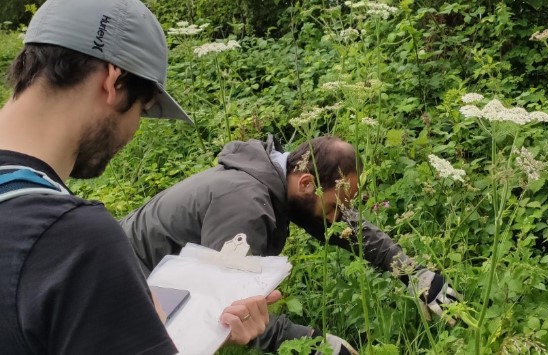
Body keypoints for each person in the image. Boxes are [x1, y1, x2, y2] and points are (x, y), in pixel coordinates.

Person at [0, 0, 280, 353]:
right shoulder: (74, 242)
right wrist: (170, 331)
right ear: (113, 82)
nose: (133, 130)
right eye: (142, 110)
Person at [120, 134, 460, 353]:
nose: (334, 219)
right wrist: (315, 345)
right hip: (124, 289)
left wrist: (414, 274)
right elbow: (226, 307)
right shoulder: (247, 206)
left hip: (154, 281)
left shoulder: (279, 179)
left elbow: (342, 224)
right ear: (308, 182)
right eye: (332, 207)